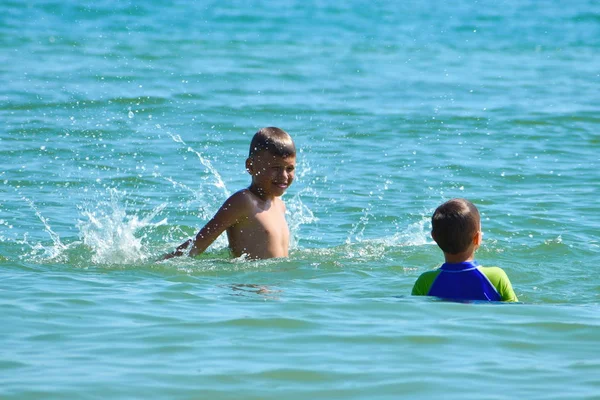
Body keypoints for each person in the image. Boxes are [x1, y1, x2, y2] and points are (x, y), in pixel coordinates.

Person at [161, 127, 296, 260]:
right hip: (250, 281)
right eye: (275, 168)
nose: (284, 176)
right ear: (250, 166)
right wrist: (161, 264)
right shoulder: (243, 201)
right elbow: (198, 244)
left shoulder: (279, 205)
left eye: (289, 168)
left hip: (278, 281)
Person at [411, 198, 518, 302]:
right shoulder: (496, 277)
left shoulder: (425, 281)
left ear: (434, 237)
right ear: (477, 238)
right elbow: (514, 312)